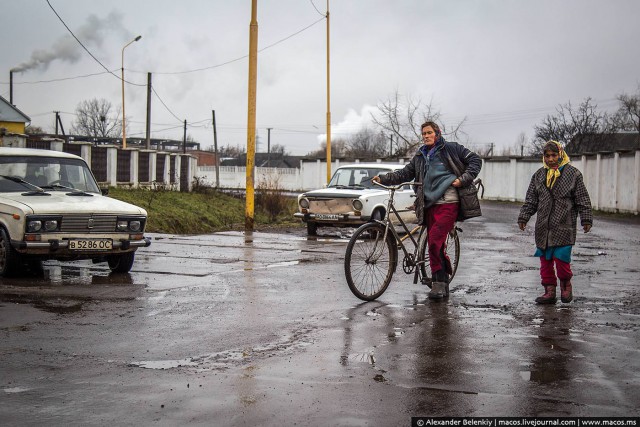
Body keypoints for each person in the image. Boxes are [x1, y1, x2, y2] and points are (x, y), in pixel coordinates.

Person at [372, 121, 482, 300]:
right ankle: (442, 281)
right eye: (423, 133)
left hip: (448, 202)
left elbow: (476, 160)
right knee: (434, 243)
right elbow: (405, 174)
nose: (426, 136)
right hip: (428, 204)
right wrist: (384, 179)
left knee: (434, 241)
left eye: (429, 133)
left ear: (437, 133)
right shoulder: (421, 155)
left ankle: (438, 283)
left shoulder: (451, 149)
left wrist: (463, 179)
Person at [517, 140, 593, 304]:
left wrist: (586, 218)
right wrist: (524, 216)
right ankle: (549, 291)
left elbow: (582, 199)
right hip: (543, 228)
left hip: (564, 226)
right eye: (547, 156)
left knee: (562, 261)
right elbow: (531, 200)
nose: (551, 159)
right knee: (545, 262)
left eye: (554, 155)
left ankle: (566, 286)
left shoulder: (573, 175)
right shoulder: (538, 175)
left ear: (561, 154)